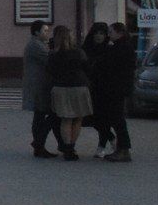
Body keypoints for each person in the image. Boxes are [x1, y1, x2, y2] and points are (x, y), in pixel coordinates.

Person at [91, 21, 136, 162]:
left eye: (111, 32)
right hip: (118, 88)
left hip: (115, 89)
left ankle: (123, 149)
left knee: (118, 120)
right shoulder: (122, 46)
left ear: (120, 33)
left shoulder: (120, 48)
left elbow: (109, 67)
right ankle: (121, 148)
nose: (108, 35)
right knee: (116, 119)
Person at [47, 26, 92, 159]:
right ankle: (72, 146)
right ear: (70, 37)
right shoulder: (79, 53)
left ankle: (67, 148)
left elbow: (49, 71)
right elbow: (87, 69)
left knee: (65, 119)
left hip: (60, 88)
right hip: (79, 86)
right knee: (78, 118)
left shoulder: (53, 54)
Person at [20, 21, 60, 158]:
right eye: (45, 31)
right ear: (37, 32)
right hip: (38, 86)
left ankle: (39, 144)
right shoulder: (36, 45)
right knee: (43, 114)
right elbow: (51, 59)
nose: (47, 33)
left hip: (39, 85)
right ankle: (39, 144)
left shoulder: (38, 44)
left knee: (41, 115)